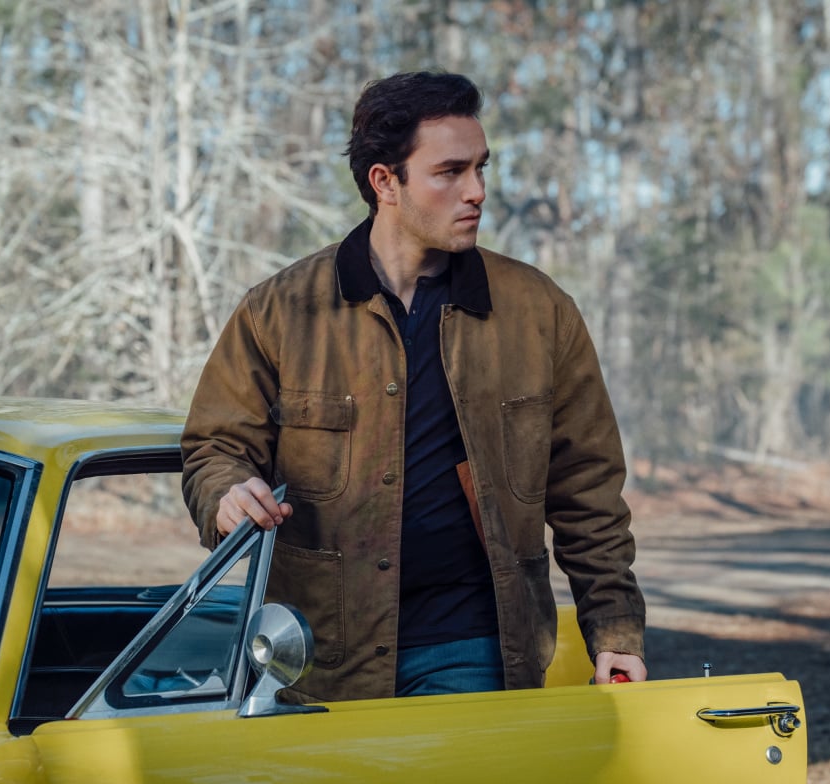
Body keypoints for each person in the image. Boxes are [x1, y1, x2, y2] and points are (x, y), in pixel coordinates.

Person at [182, 70, 646, 703]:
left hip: (473, 646)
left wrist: (614, 628)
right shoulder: (280, 312)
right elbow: (214, 446)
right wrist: (228, 494)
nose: (476, 191)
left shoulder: (538, 311)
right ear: (385, 182)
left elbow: (586, 487)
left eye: (481, 168)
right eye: (450, 172)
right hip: (314, 655)